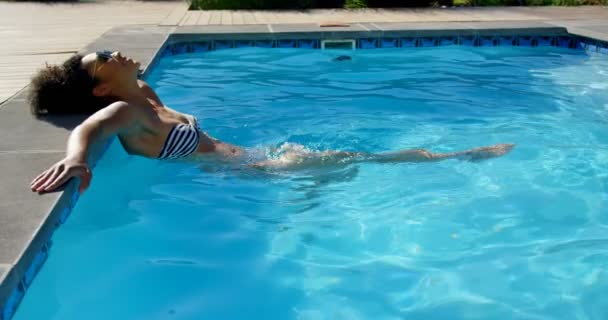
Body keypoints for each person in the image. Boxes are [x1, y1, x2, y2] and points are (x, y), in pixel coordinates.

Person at [29, 50, 514, 194]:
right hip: (241, 172)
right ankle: (458, 156)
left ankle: (308, 189)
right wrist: (75, 160)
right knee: (356, 159)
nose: (117, 52)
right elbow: (88, 130)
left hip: (247, 160)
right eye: (105, 59)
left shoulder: (147, 93)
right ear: (101, 89)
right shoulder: (126, 110)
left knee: (336, 163)